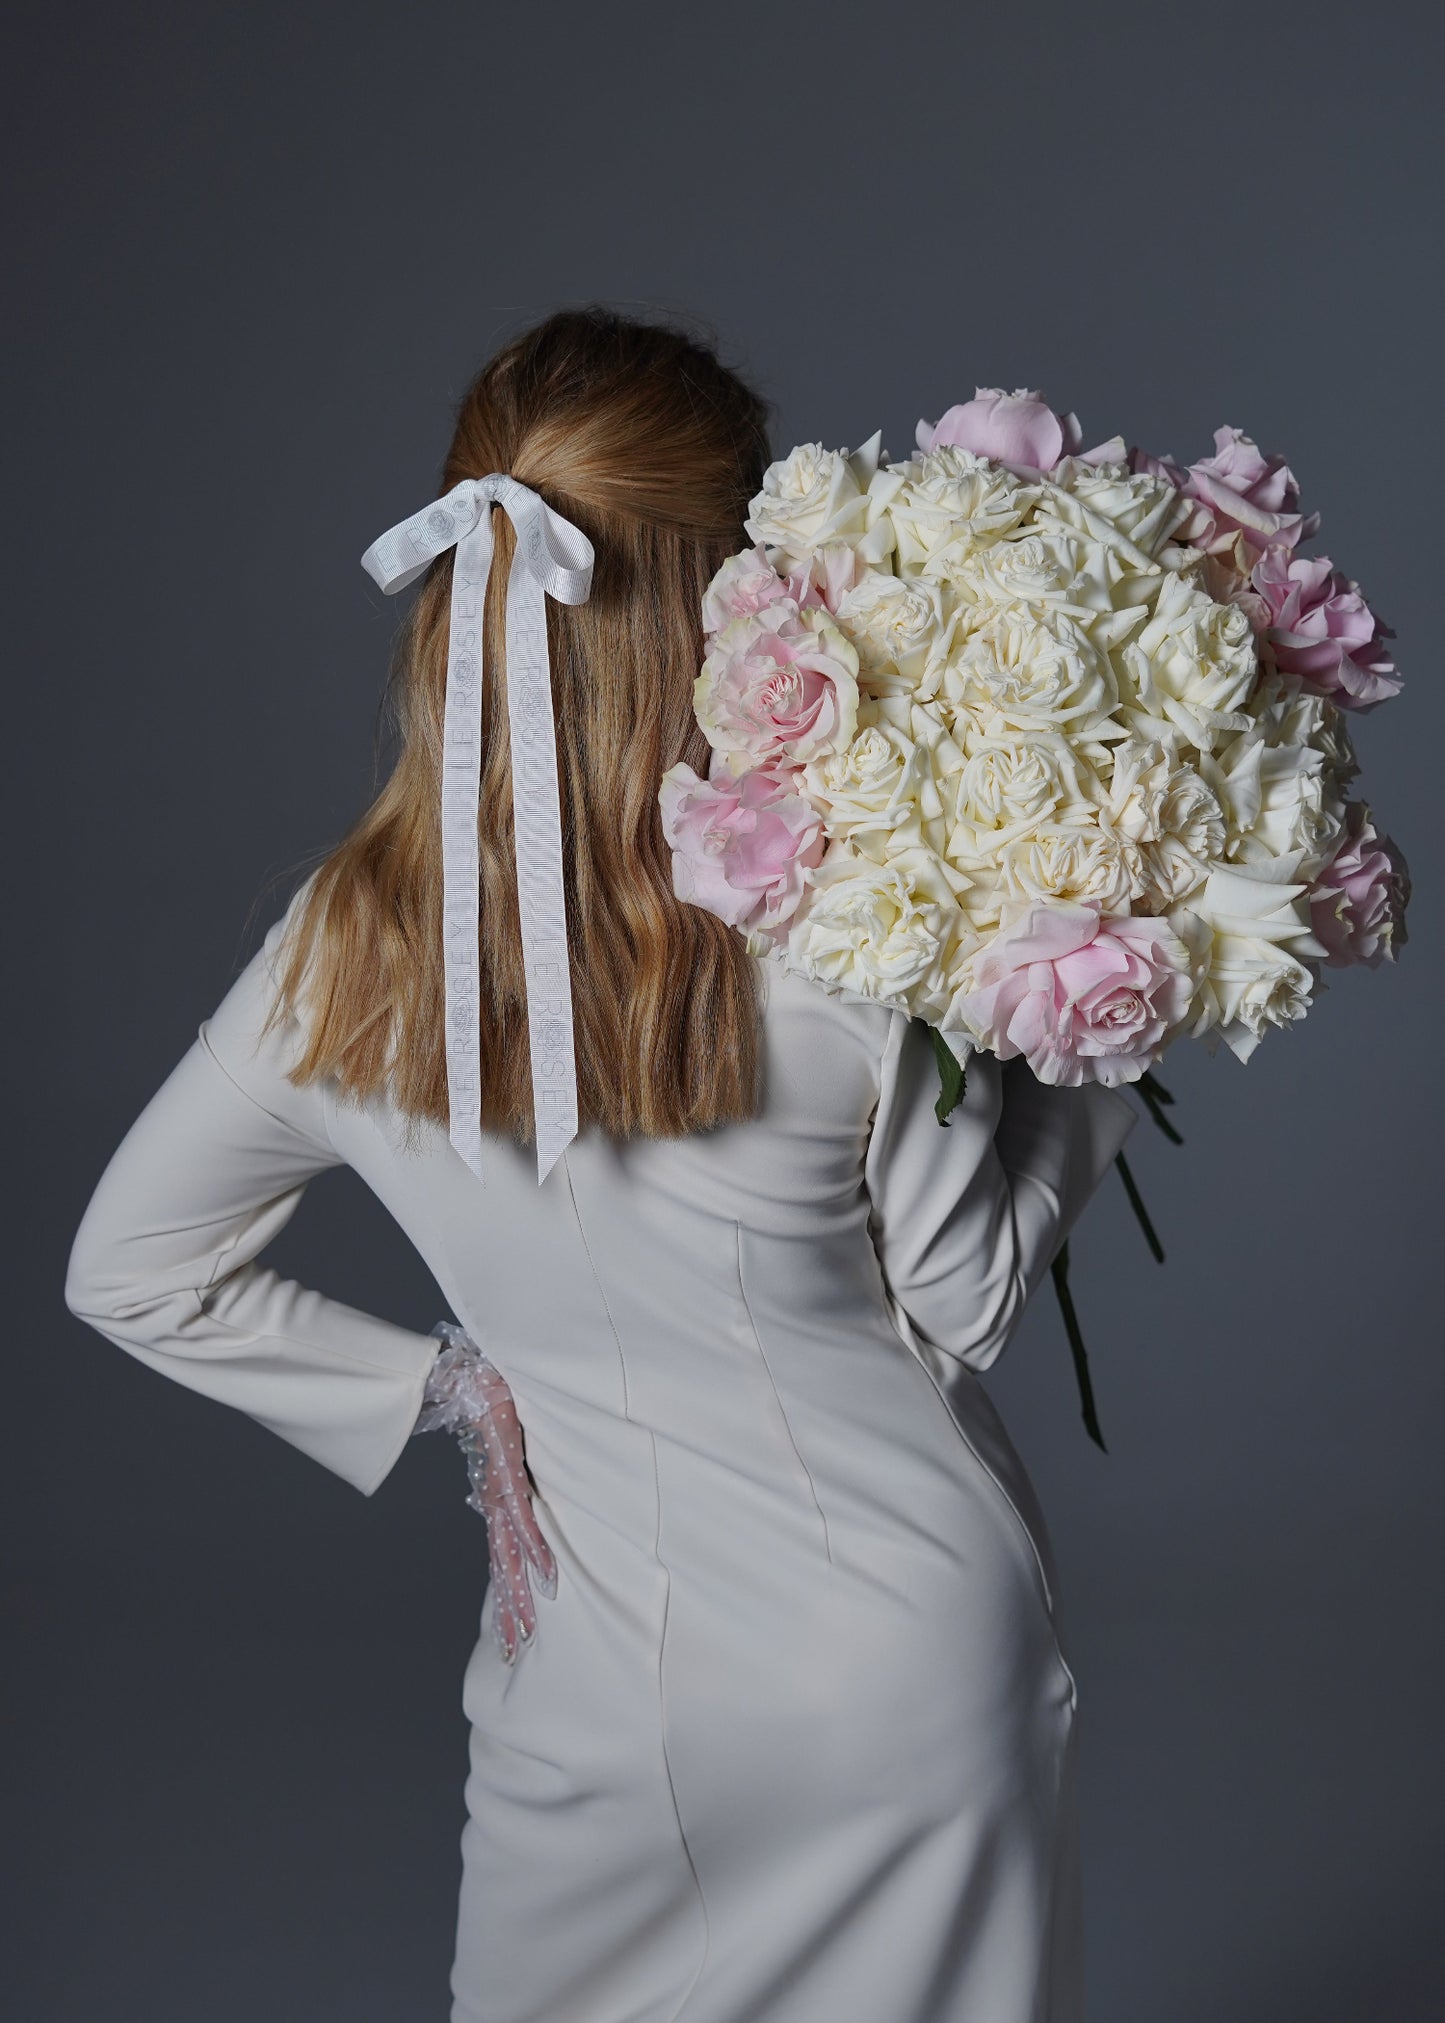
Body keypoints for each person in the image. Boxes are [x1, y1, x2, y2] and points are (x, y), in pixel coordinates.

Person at [64, 306, 1137, 2023]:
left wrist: (450, 1393)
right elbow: (968, 1298)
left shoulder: (337, 946)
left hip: (587, 1697)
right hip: (895, 1671)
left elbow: (128, 1270)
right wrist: (1090, 1030)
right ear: (738, 572)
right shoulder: (848, 904)